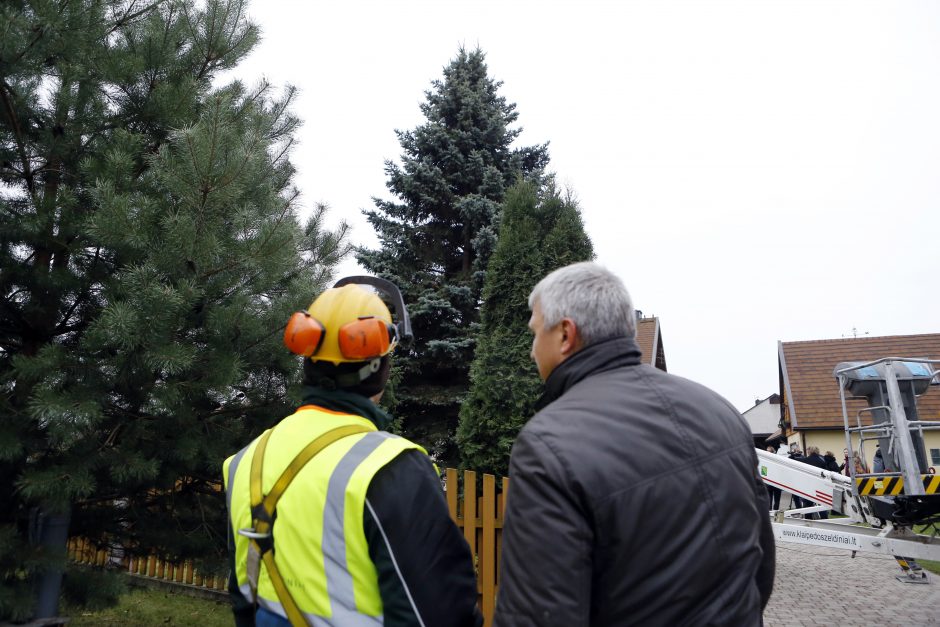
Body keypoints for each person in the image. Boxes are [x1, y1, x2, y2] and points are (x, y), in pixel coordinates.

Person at [493, 262, 775, 626]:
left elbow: (538, 616)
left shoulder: (548, 444)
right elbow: (760, 568)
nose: (532, 350)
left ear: (565, 334)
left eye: (535, 333)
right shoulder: (721, 412)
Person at [223, 277, 482, 627]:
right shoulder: (392, 467)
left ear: (308, 359)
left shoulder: (245, 460)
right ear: (380, 368)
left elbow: (244, 596)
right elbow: (438, 615)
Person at [800, 446, 829, 519]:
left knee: (808, 504)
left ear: (810, 451)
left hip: (809, 485)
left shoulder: (805, 460)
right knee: (821, 503)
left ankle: (808, 519)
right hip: (820, 485)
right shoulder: (822, 461)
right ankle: (824, 518)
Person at [766, 446, 782, 510]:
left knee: (776, 501)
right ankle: (770, 514)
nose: (766, 452)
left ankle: (774, 514)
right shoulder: (777, 459)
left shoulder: (776, 460)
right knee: (769, 501)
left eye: (768, 451)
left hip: (776, 483)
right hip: (769, 483)